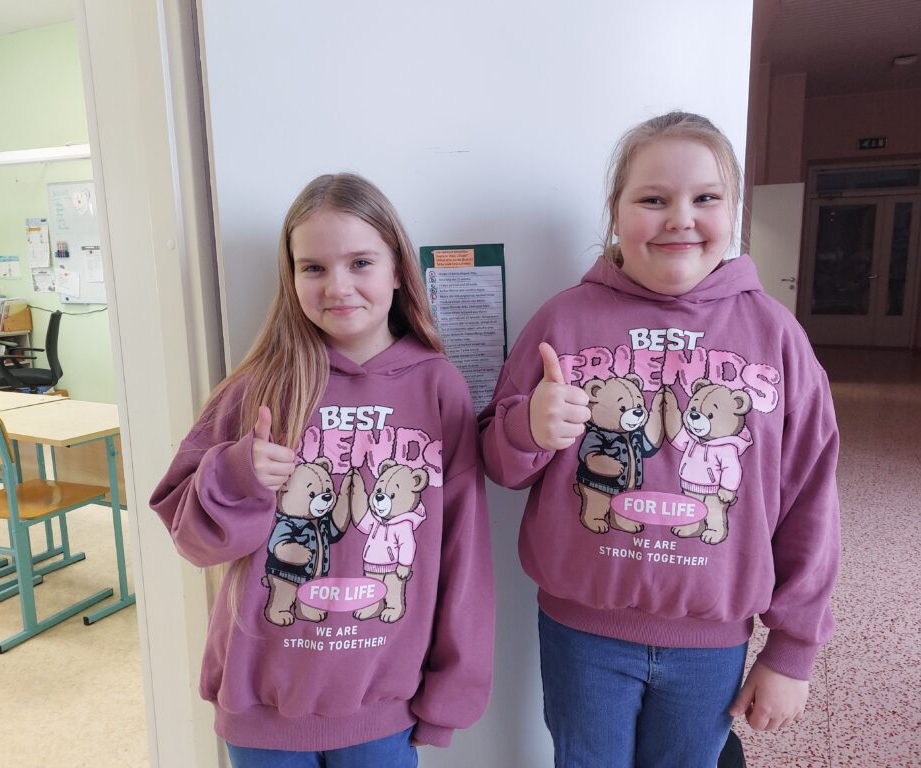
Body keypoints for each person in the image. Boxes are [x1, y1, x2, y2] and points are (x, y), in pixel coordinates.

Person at [479, 111, 840, 767]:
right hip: (581, 634)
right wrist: (528, 428)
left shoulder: (777, 336)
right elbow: (500, 464)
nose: (680, 218)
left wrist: (792, 650)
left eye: (705, 198)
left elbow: (811, 500)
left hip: (713, 642)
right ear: (615, 215)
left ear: (733, 212)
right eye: (653, 200)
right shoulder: (564, 319)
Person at [151, 173, 494, 768]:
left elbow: (465, 557)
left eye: (360, 262)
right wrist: (238, 475)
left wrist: (449, 697)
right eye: (313, 268)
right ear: (291, 278)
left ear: (397, 269)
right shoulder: (257, 387)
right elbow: (192, 540)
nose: (338, 286)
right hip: (260, 709)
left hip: (382, 707)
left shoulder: (438, 386)